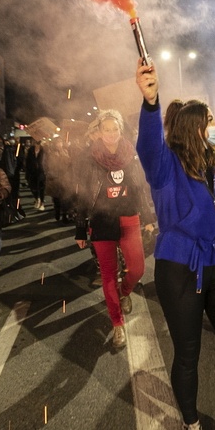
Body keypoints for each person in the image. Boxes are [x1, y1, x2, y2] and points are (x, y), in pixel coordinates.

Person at [135, 59, 215, 430]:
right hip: (180, 271)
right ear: (194, 126)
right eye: (209, 121)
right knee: (187, 354)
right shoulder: (166, 164)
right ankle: (190, 424)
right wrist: (151, 101)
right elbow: (148, 147)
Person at [73, 110, 153, 348]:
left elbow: (139, 188)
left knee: (137, 268)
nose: (110, 134)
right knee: (108, 274)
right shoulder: (89, 157)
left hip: (129, 217)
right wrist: (80, 228)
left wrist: (148, 217)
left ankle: (124, 291)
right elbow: (83, 195)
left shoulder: (131, 154)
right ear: (99, 131)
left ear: (120, 130)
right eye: (106, 129)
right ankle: (117, 324)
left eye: (114, 129)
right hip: (101, 220)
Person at [24, 138, 46, 210]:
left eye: (38, 142)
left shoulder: (44, 150)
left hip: (41, 171)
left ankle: (42, 202)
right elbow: (27, 161)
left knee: (41, 187)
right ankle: (37, 199)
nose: (36, 143)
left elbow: (47, 160)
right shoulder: (30, 150)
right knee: (33, 187)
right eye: (35, 142)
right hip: (32, 171)